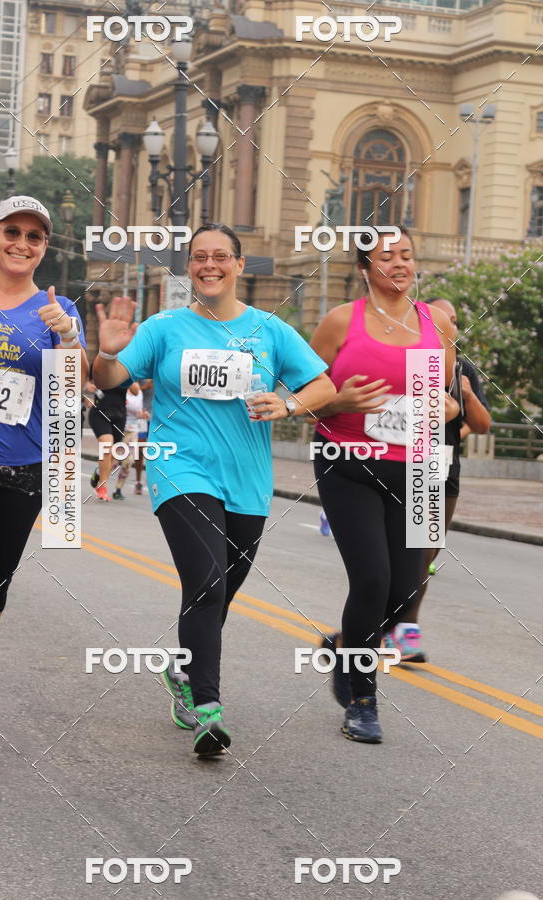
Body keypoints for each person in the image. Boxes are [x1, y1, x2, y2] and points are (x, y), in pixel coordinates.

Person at [92, 223, 335, 756]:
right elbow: (109, 378)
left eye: (220, 256)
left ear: (238, 265)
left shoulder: (270, 329)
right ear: (189, 267)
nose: (209, 265)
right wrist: (108, 353)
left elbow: (325, 385)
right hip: (179, 469)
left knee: (219, 591)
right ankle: (208, 710)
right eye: (199, 257)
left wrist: (289, 404)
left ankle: (183, 667)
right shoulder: (164, 327)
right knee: (205, 582)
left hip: (248, 482)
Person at [0, 196, 87, 749]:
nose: (21, 243)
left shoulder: (58, 310)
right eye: (12, 232)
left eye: (34, 236)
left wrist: (67, 340)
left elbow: (71, 394)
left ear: (44, 248)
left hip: (28, 460)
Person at [310, 226, 458, 743]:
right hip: (346, 461)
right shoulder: (339, 322)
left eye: (407, 255)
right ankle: (362, 699)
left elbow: (449, 398)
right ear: (365, 266)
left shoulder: (436, 323)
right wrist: (339, 402)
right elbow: (303, 395)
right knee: (371, 579)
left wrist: (447, 406)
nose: (399, 263)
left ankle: (346, 642)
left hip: (415, 465)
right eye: (387, 256)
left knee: (403, 592)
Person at [385, 297, 491, 658]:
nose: (450, 326)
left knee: (424, 553)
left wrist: (464, 398)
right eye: (441, 319)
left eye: (455, 321)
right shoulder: (403, 360)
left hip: (443, 468)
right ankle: (389, 626)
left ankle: (403, 630)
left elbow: (482, 425)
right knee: (401, 554)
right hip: (403, 463)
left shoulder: (461, 368)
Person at [87, 379, 128, 502]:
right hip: (100, 413)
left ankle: (100, 471)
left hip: (119, 415)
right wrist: (87, 386)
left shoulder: (127, 367)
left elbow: (136, 391)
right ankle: (102, 487)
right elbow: (85, 380)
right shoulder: (101, 363)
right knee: (106, 447)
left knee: (113, 454)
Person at [112, 382, 149, 500]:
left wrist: (143, 414)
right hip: (118, 428)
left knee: (128, 462)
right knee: (113, 461)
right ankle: (99, 474)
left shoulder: (139, 394)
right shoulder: (120, 390)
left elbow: (138, 411)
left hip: (133, 430)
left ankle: (118, 489)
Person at [133, 378, 153, 495]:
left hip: (157, 417)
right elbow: (131, 391)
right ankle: (138, 481)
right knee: (140, 449)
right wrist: (145, 387)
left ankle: (154, 481)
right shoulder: (142, 373)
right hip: (142, 416)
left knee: (155, 450)